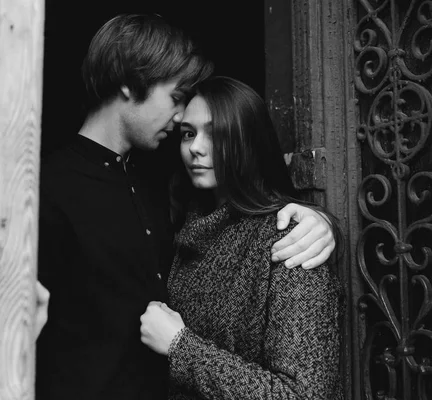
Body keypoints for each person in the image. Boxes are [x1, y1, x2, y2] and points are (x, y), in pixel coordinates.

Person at [36, 14, 337, 400]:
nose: (184, 127)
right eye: (177, 101)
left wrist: (325, 222)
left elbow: (253, 199)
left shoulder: (159, 186)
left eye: (213, 132)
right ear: (130, 83)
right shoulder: (47, 186)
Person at [139, 76, 344, 399]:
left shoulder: (289, 238)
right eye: (188, 133)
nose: (196, 147)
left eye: (217, 134)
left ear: (250, 142)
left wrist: (182, 346)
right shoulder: (186, 230)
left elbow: (301, 395)